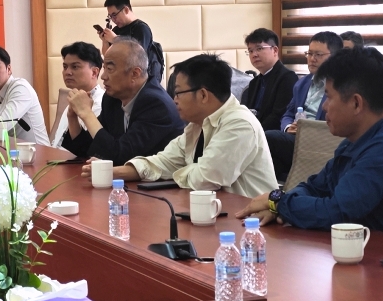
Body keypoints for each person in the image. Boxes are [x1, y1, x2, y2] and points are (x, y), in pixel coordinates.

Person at [235, 47, 383, 244]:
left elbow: (336, 213)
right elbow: (314, 187)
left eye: (329, 97)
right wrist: (279, 205)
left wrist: (278, 203)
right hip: (365, 250)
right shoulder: (356, 140)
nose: (324, 107)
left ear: (356, 103)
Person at [97, 54, 276, 197]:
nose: (174, 100)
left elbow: (205, 179)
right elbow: (165, 161)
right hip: (213, 211)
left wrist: (174, 171)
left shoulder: (239, 123)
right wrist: (114, 172)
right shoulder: (196, 125)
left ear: (203, 95)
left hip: (251, 221)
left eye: (178, 93)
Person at [63, 37, 183, 165]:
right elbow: (87, 148)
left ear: (135, 73)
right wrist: (73, 116)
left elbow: (121, 156)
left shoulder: (156, 104)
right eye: (104, 68)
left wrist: (87, 113)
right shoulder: (112, 99)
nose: (103, 76)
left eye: (110, 69)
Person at [265, 31, 341, 181]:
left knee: (268, 137)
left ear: (334, 57)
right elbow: (288, 114)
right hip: (296, 136)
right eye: (309, 53)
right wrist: (288, 127)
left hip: (321, 139)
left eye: (318, 54)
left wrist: (307, 128)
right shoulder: (302, 83)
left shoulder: (340, 86)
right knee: (271, 161)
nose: (312, 59)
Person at [97, 0, 164, 86]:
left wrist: (115, 39)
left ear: (126, 10)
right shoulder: (116, 30)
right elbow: (108, 56)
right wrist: (105, 41)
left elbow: (138, 56)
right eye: (110, 16)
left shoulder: (141, 28)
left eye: (114, 15)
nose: (113, 19)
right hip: (121, 81)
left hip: (140, 83)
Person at [238, 28, 298, 132]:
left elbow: (279, 116)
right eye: (250, 51)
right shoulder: (254, 83)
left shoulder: (287, 78)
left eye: (259, 49)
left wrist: (255, 132)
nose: (254, 54)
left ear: (275, 50)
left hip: (271, 134)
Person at [51, 42, 105, 150]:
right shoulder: (74, 99)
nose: (67, 72)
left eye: (75, 67)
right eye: (65, 67)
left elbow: (85, 150)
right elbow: (56, 143)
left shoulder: (101, 104)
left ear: (94, 72)